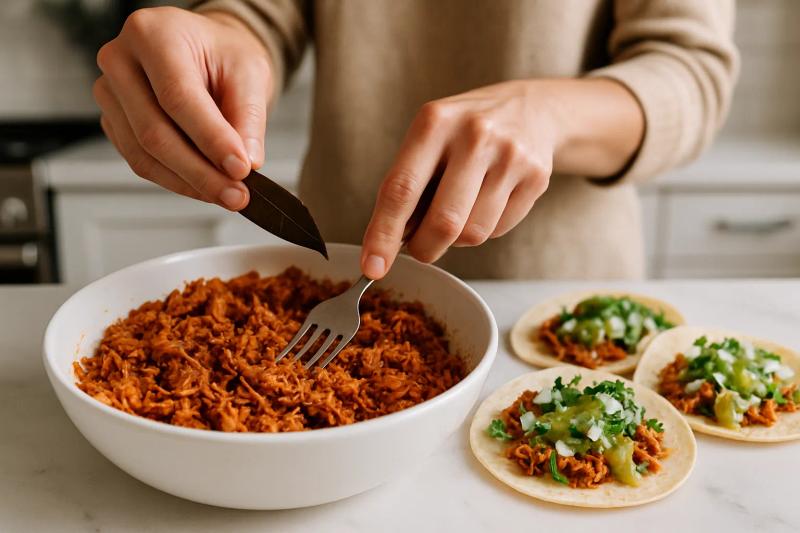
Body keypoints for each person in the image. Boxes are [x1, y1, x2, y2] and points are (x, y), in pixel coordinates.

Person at [93, 1, 738, 280]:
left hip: (549, 292)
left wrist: (548, 113)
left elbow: (691, 71)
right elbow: (264, 11)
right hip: (339, 273)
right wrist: (225, 31)